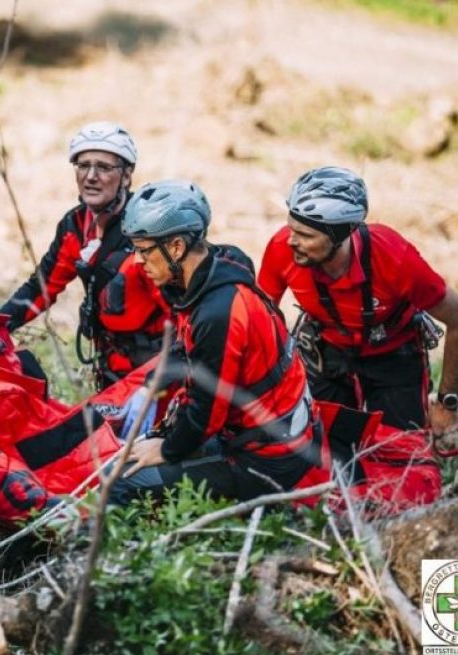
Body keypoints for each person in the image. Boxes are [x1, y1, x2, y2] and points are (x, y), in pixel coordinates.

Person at [109, 180, 320, 505]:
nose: (138, 261)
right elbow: (189, 354)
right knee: (135, 452)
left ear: (176, 247)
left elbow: (206, 415)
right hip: (273, 431)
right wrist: (152, 388)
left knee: (121, 481)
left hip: (268, 458)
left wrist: (166, 448)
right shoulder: (220, 266)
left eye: (144, 249)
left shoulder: (218, 313)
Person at [257, 166, 458, 435]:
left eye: (306, 235)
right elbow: (259, 321)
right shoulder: (281, 249)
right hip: (326, 351)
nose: (291, 241)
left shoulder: (395, 259)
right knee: (321, 444)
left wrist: (447, 403)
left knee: (400, 448)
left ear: (340, 235)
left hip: (394, 354)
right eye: (292, 229)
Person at [0, 121, 167, 388]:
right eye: (83, 165)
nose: (90, 176)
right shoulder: (74, 227)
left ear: (126, 175)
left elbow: (181, 313)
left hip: (153, 375)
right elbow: (40, 289)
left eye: (104, 167)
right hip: (109, 369)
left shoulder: (146, 231)